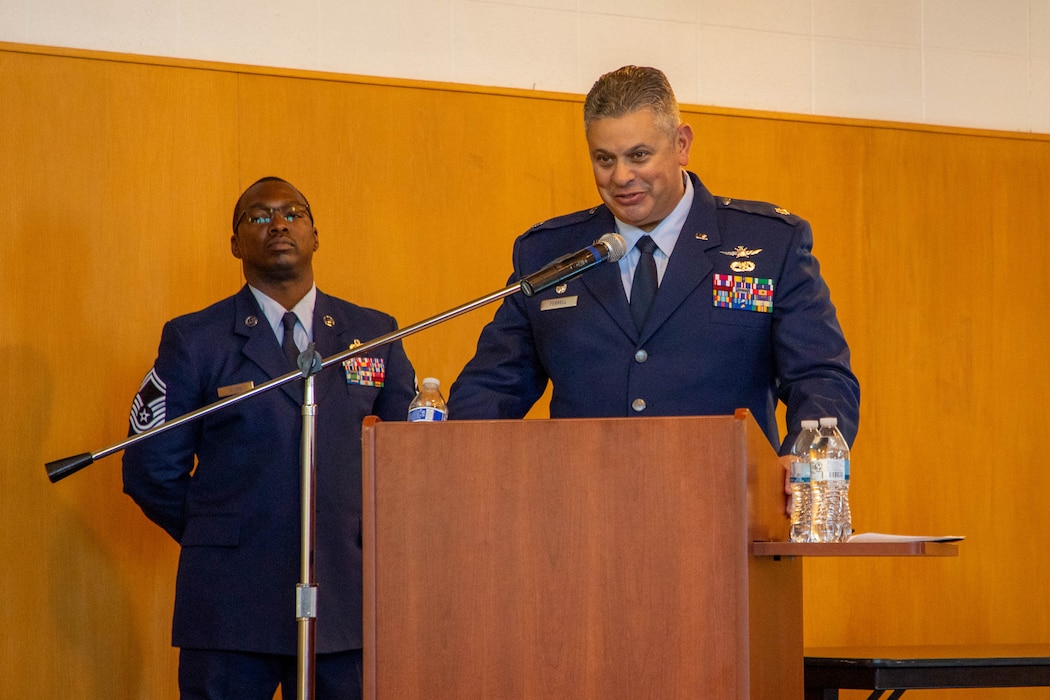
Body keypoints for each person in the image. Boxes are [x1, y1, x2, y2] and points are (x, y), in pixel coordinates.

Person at [448, 65, 859, 456]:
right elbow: (493, 387)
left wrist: (807, 465)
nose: (622, 177)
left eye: (639, 155)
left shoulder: (768, 243)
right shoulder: (549, 254)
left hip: (726, 504)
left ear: (682, 144)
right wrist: (445, 455)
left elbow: (820, 377)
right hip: (583, 508)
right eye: (604, 159)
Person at [122, 177, 417, 699]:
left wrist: (368, 538)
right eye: (258, 216)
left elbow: (414, 460)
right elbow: (151, 467)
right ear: (234, 243)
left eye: (293, 213)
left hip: (346, 599)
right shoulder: (196, 338)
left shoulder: (374, 332)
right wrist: (220, 533)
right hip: (229, 605)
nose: (278, 224)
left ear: (315, 235)